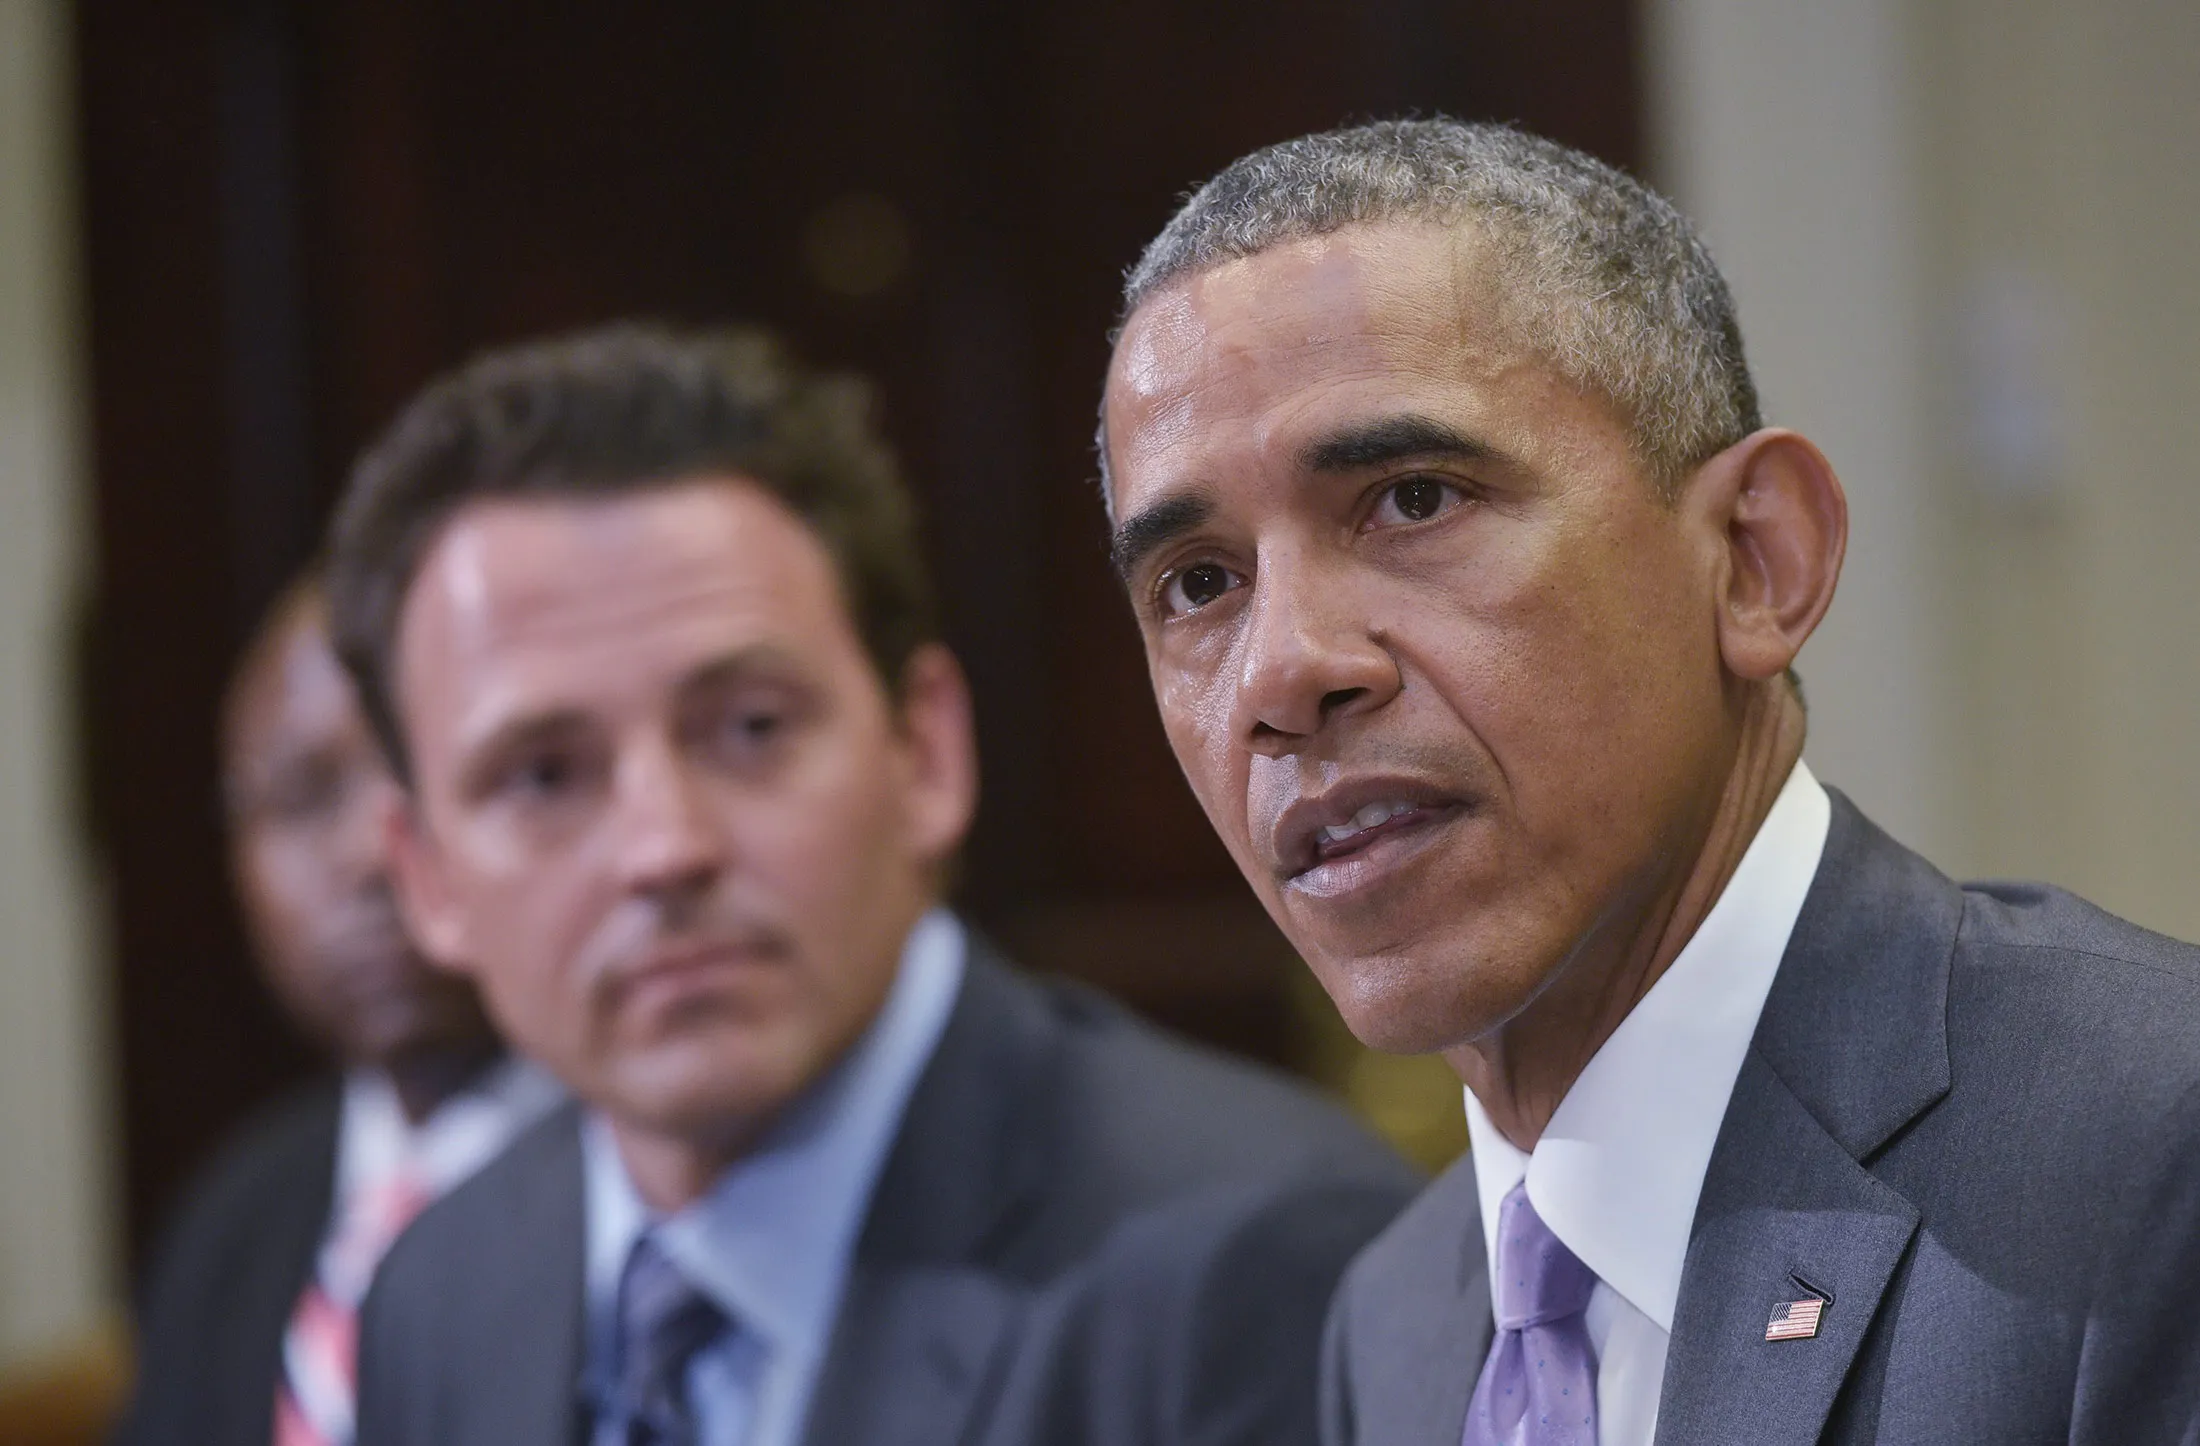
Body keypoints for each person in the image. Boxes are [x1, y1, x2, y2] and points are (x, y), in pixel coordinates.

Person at [1097, 118, 2200, 1444]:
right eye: (1198, 585)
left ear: (1756, 558)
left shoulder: (2149, 1150)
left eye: (1414, 499)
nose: (1284, 672)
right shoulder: (1394, 1321)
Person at [326, 325, 1417, 1446]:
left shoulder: (1258, 1262)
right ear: (427, 878)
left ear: (925, 750)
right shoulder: (440, 1292)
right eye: (545, 775)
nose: (664, 849)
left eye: (749, 728)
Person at [113, 573, 561, 1446]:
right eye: (305, 794)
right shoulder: (234, 1219)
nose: (371, 855)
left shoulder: (665, 1188)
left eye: (423, 776)